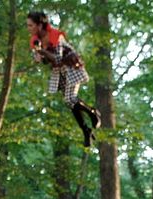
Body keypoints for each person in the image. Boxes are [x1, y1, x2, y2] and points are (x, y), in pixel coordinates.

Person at [26, 10, 100, 148]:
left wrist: (42, 52)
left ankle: (92, 113)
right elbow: (46, 61)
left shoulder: (55, 36)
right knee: (70, 102)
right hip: (59, 71)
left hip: (71, 66)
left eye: (30, 25)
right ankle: (86, 129)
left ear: (39, 25)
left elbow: (58, 59)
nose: (28, 28)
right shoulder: (36, 41)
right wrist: (39, 57)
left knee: (70, 99)